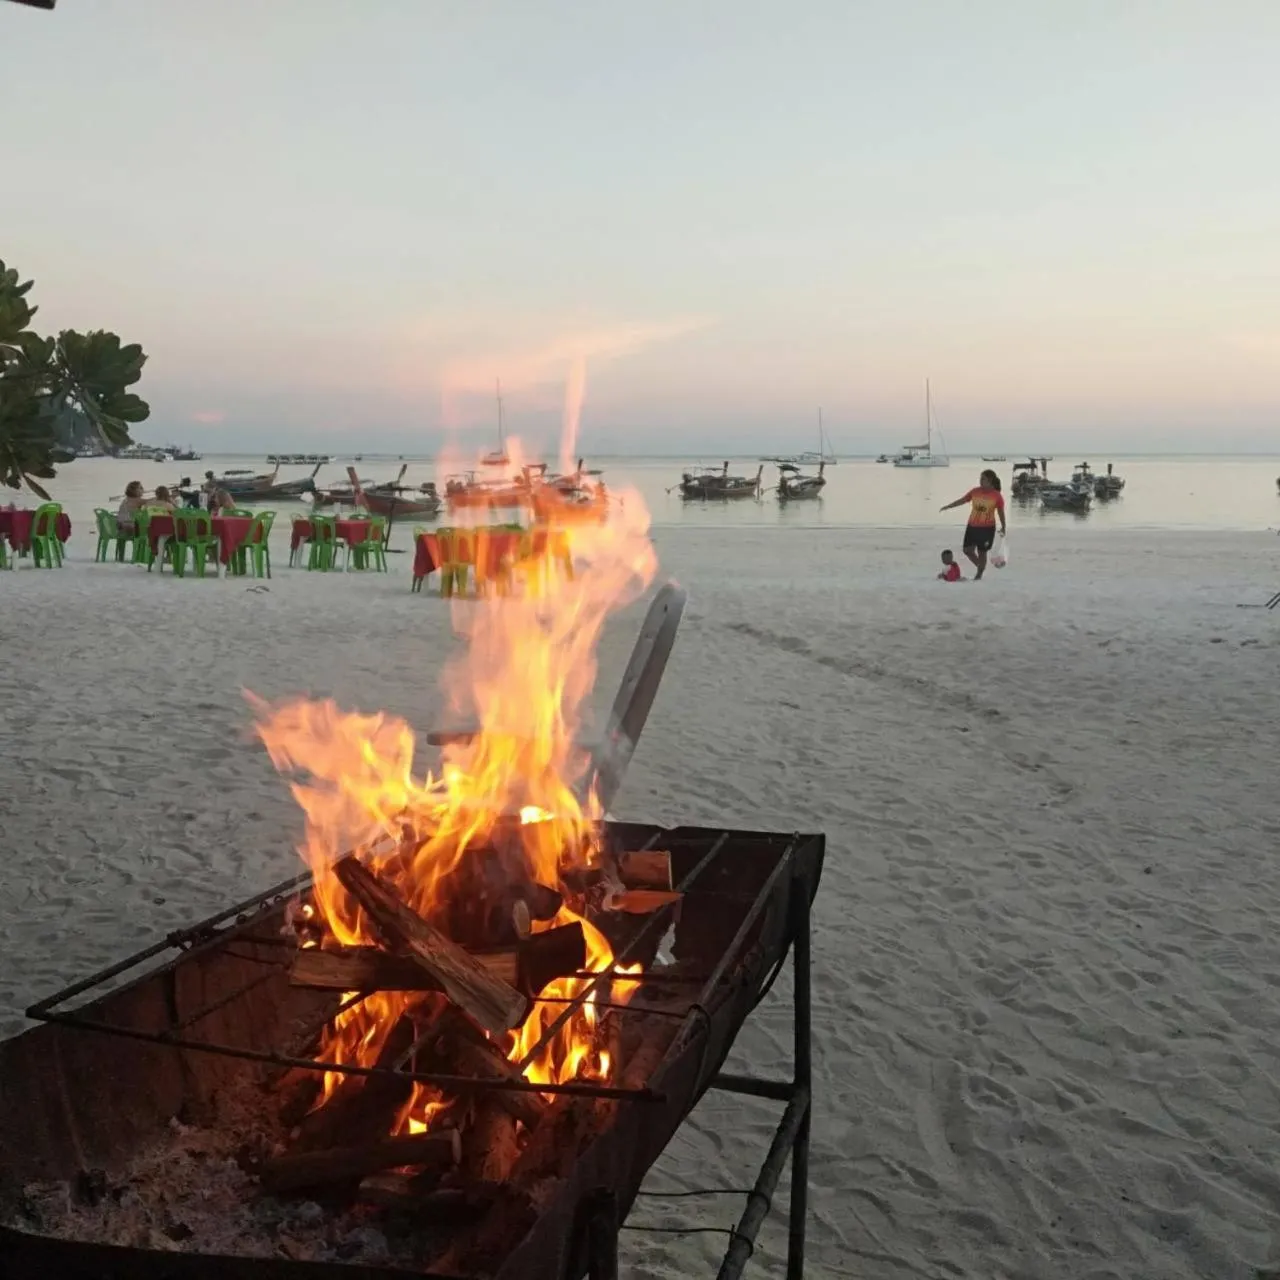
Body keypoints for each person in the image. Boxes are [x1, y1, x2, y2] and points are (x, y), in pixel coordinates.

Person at [940, 469, 1006, 580]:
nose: (980, 481)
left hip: (987, 528)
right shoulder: (975, 491)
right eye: (980, 478)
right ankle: (981, 567)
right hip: (972, 526)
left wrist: (1004, 526)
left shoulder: (997, 496)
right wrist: (948, 506)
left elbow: (1001, 512)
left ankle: (979, 574)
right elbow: (963, 500)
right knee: (967, 550)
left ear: (990, 480)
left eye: (983, 479)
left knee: (982, 552)